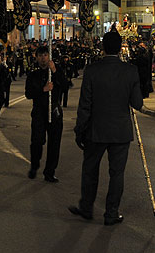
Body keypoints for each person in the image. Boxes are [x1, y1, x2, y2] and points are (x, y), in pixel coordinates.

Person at [69, 31, 144, 225]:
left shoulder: (93, 70)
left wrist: (80, 129)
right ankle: (111, 212)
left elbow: (85, 104)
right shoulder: (130, 71)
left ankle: (87, 206)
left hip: (96, 129)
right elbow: (137, 103)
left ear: (103, 47)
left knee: (90, 169)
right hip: (120, 130)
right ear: (120, 48)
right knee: (117, 173)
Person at [25, 46, 66, 183]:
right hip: (39, 112)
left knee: (54, 144)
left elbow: (66, 84)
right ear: (36, 57)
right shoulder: (33, 74)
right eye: (40, 55)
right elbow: (28, 94)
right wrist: (43, 89)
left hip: (54, 111)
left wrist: (54, 71)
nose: (43, 58)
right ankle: (34, 165)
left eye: (45, 55)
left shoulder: (56, 71)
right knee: (37, 141)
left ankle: (50, 172)